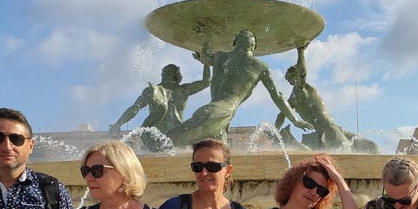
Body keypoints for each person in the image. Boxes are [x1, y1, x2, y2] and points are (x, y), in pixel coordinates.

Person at [168, 30, 312, 147]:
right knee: (174, 141)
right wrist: (295, 120)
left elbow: (204, 57)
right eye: (246, 36)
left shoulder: (221, 57)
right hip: (221, 112)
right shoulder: (258, 66)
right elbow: (277, 97)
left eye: (249, 35)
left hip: (217, 113)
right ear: (253, 46)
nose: (248, 35)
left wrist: (207, 38)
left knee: (216, 154)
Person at [276, 43, 380, 153]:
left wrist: (275, 131)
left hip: (333, 127)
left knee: (372, 147)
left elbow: (281, 114)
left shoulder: (297, 95)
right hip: (327, 130)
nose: (299, 78)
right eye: (294, 76)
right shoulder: (299, 91)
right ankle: (289, 140)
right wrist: (300, 52)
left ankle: (288, 140)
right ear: (293, 79)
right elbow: (302, 73)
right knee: (345, 151)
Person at [109, 62, 210, 151]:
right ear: (177, 76)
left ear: (163, 75)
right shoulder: (184, 90)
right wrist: (205, 62)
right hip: (177, 138)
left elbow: (135, 108)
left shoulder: (152, 90)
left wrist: (118, 124)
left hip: (155, 139)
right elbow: (206, 82)